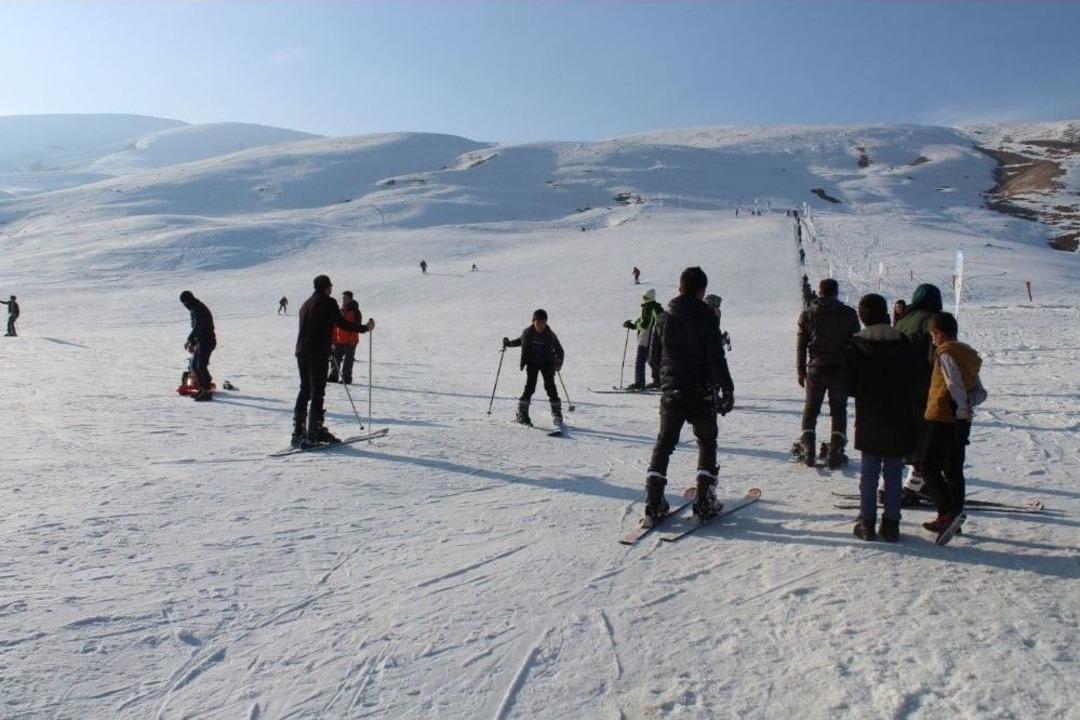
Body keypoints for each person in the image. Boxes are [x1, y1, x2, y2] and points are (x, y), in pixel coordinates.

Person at [642, 267, 735, 526]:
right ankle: (704, 501)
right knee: (707, 441)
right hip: (700, 392)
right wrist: (727, 389)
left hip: (672, 393)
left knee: (664, 444)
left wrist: (663, 381)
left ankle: (653, 502)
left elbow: (652, 356)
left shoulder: (664, 317)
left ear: (680, 286)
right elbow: (716, 357)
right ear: (701, 290)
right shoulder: (707, 316)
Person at [844, 294, 916, 542]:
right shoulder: (903, 341)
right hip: (898, 413)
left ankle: (866, 522)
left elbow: (848, 384)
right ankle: (892, 523)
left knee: (869, 469)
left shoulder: (855, 345)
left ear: (862, 316)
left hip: (869, 413)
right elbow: (912, 377)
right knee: (894, 470)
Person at [920, 312, 985, 536]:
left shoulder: (946, 353)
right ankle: (953, 516)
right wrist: (967, 406)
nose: (932, 339)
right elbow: (980, 392)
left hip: (943, 418)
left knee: (928, 466)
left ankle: (948, 514)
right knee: (953, 469)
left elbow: (954, 386)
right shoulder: (966, 355)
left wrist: (959, 409)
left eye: (932, 335)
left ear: (939, 334)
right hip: (961, 419)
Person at [293, 275, 374, 447]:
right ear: (326, 287)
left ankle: (299, 432)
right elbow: (342, 323)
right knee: (317, 391)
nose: (331, 289)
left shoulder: (306, 303)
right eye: (330, 286)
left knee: (305, 390)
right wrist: (365, 328)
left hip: (302, 352)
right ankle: (315, 430)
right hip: (317, 353)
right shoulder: (328, 302)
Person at [794, 278, 860, 468]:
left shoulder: (807, 314)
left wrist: (800, 369)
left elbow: (801, 344)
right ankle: (836, 452)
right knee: (839, 410)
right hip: (840, 368)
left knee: (811, 408)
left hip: (815, 367)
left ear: (819, 292)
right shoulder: (849, 314)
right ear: (836, 292)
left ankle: (808, 450)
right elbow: (855, 344)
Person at [894, 283, 943, 501]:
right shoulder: (931, 321)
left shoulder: (904, 319)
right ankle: (917, 483)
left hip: (900, 385)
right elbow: (936, 357)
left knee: (905, 436)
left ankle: (890, 484)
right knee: (927, 438)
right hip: (923, 386)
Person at [502, 309, 564, 428]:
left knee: (550, 387)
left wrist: (558, 362)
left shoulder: (550, 334)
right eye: (539, 323)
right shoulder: (528, 333)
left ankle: (556, 412)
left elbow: (559, 350)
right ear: (533, 321)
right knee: (530, 387)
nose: (541, 326)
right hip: (532, 363)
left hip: (547, 363)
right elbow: (520, 341)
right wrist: (509, 343)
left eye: (543, 323)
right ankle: (522, 413)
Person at [622, 289, 663, 390]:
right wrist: (634, 325)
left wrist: (632, 326)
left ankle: (639, 382)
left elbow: (644, 324)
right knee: (652, 360)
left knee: (640, 360)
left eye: (644, 297)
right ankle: (658, 381)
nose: (643, 299)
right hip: (657, 337)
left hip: (646, 337)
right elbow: (642, 320)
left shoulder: (648, 307)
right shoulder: (658, 307)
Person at [179, 291, 216, 401]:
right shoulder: (195, 308)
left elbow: (199, 327)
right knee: (195, 366)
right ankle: (203, 389)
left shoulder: (198, 309)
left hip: (207, 341)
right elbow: (198, 328)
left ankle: (207, 391)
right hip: (202, 341)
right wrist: (193, 342)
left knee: (201, 366)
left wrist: (190, 340)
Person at [327, 291, 361, 385]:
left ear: (350, 299)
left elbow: (355, 327)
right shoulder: (340, 311)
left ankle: (346, 378)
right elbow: (335, 326)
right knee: (335, 359)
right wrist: (333, 338)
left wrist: (353, 339)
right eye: (343, 298)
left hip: (350, 340)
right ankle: (333, 376)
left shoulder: (355, 312)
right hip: (339, 340)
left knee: (348, 361)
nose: (343, 300)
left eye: (345, 298)